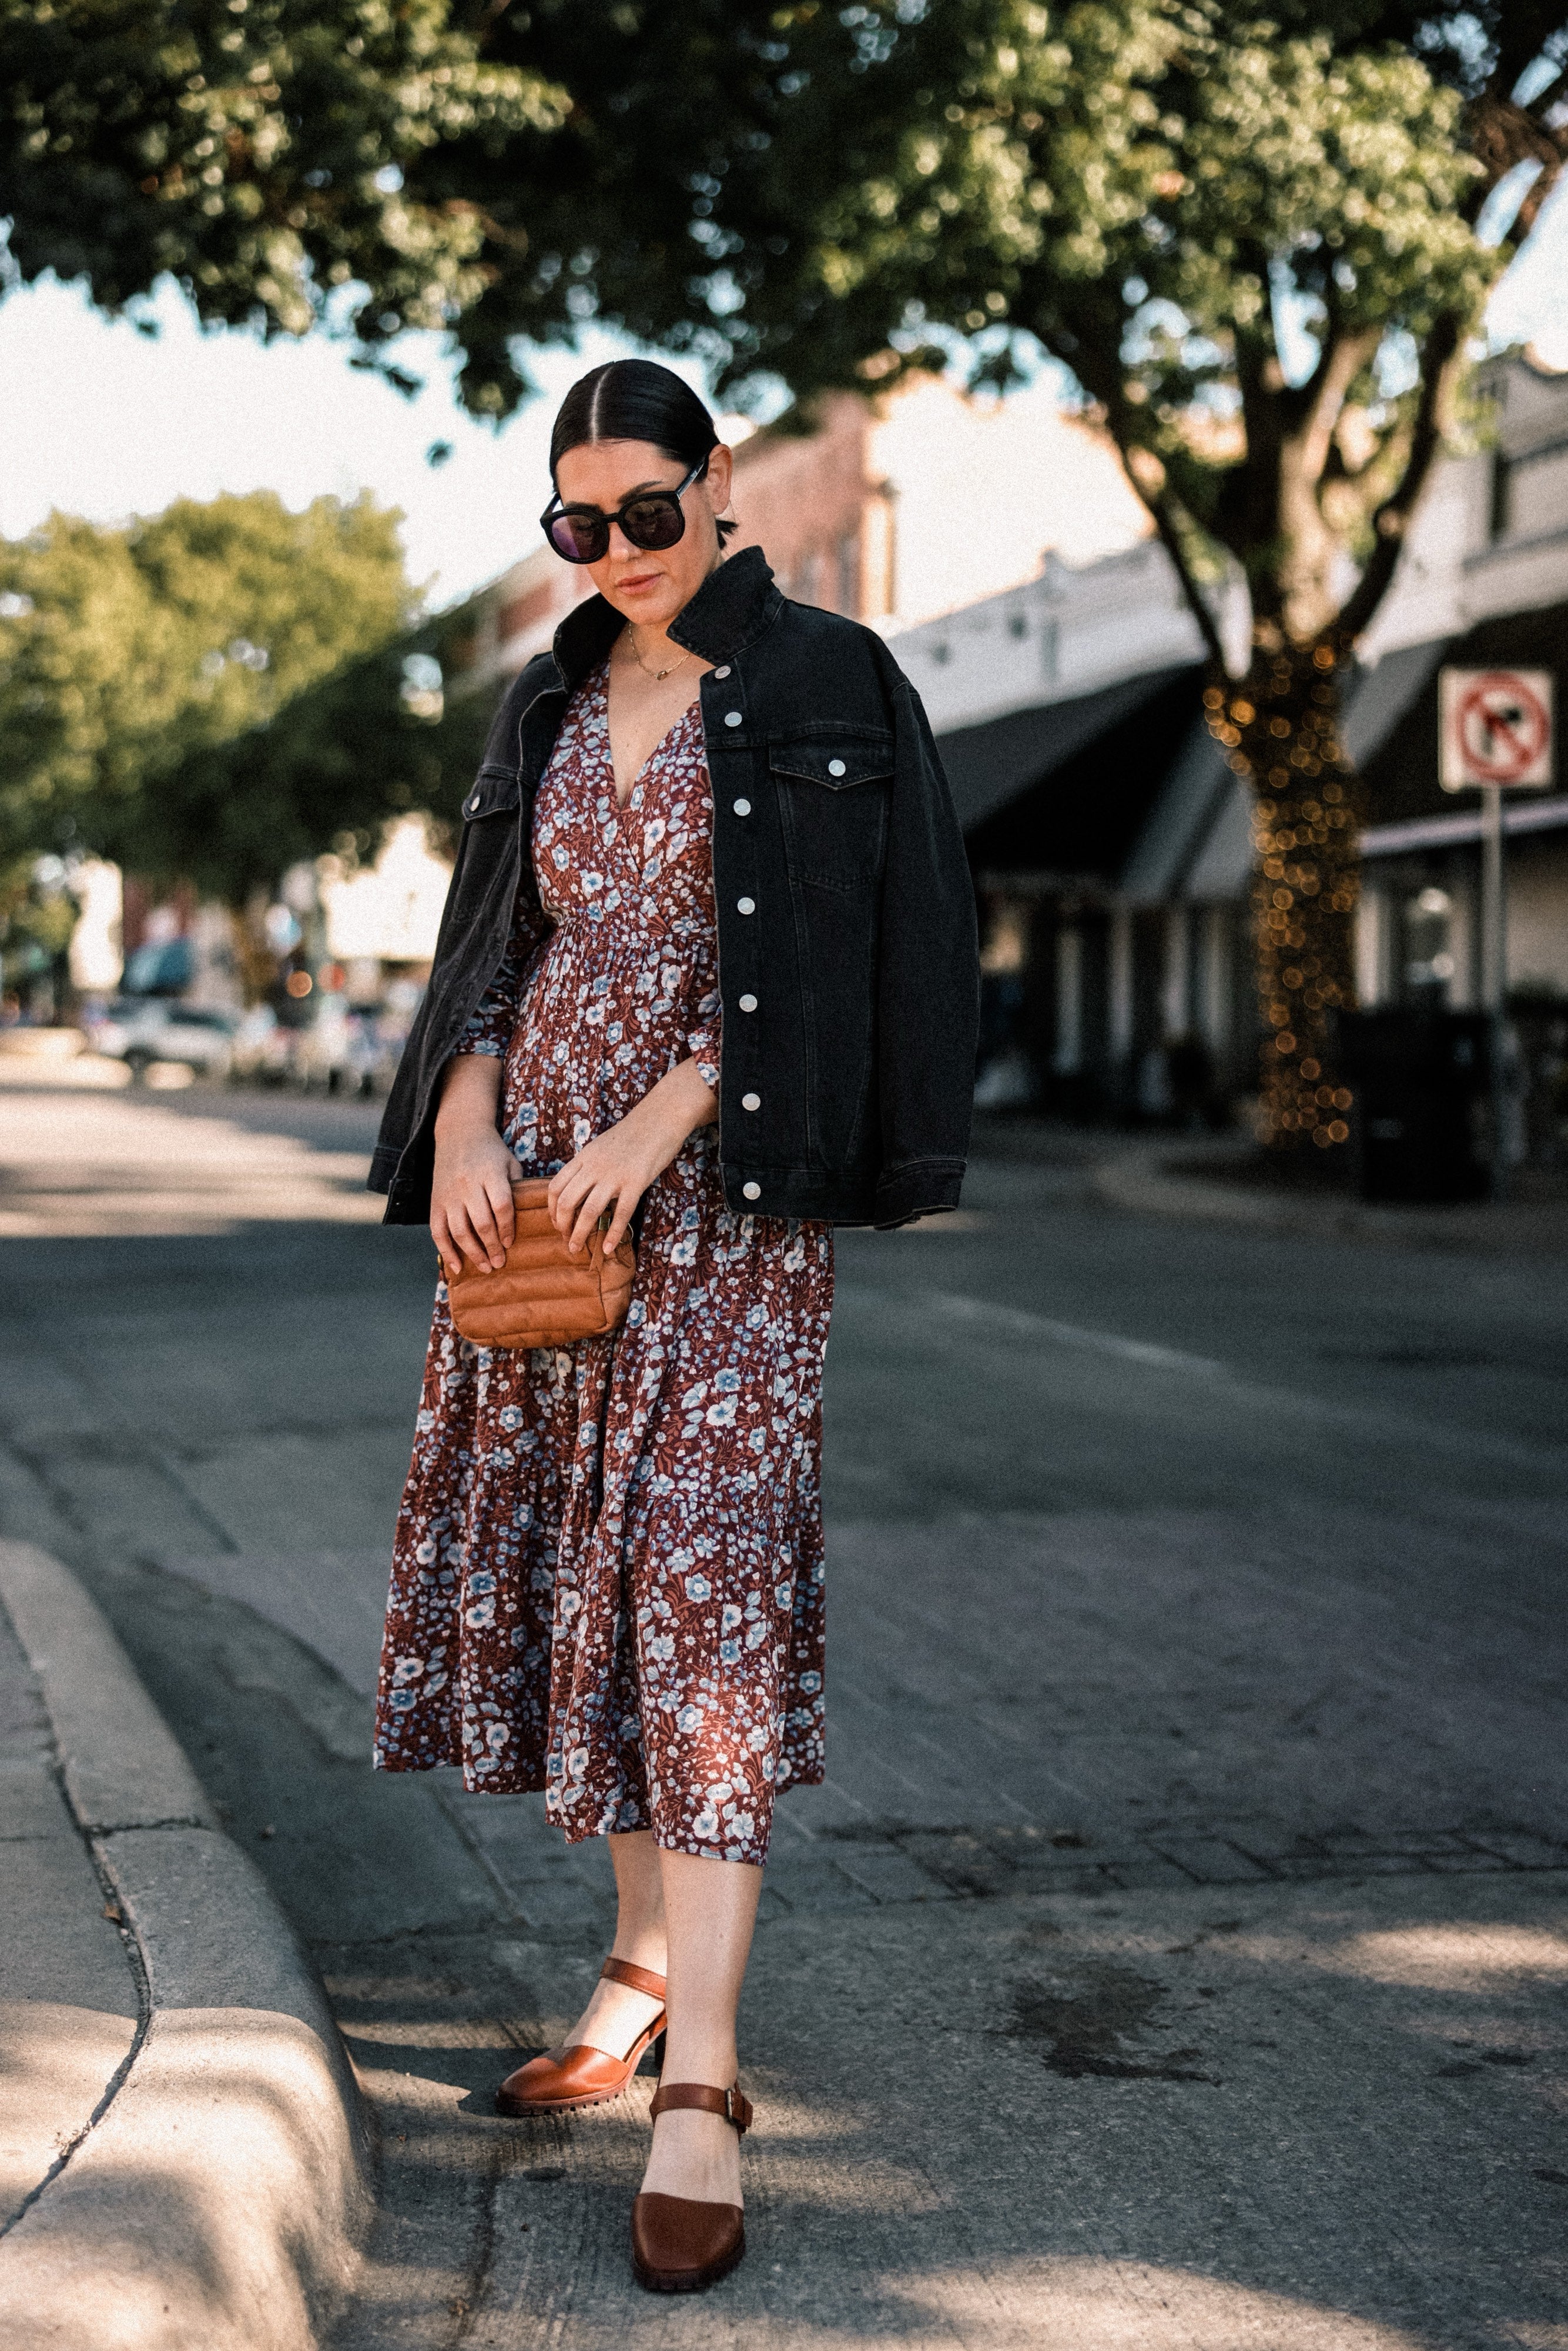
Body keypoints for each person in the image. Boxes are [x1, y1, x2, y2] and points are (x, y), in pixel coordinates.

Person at [367, 357, 977, 2292]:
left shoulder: (824, 681)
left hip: (718, 1218)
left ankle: (700, 2081)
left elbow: (877, 939)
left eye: (647, 511)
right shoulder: (545, 693)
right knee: (595, 1587)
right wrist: (467, 1115)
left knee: (695, 1595)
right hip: (537, 1207)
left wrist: (669, 1108)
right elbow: (494, 947)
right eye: (579, 523)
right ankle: (635, 1975)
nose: (617, 551)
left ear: (717, 489)